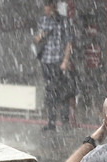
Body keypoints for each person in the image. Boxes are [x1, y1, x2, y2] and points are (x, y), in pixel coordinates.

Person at [35, 0, 73, 132]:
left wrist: (65, 61)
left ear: (51, 6)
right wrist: (41, 36)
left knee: (62, 92)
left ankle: (65, 122)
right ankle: (51, 122)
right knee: (50, 92)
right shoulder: (43, 20)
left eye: (46, 6)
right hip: (46, 61)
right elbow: (37, 39)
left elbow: (69, 42)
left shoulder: (63, 21)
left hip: (58, 61)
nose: (44, 8)